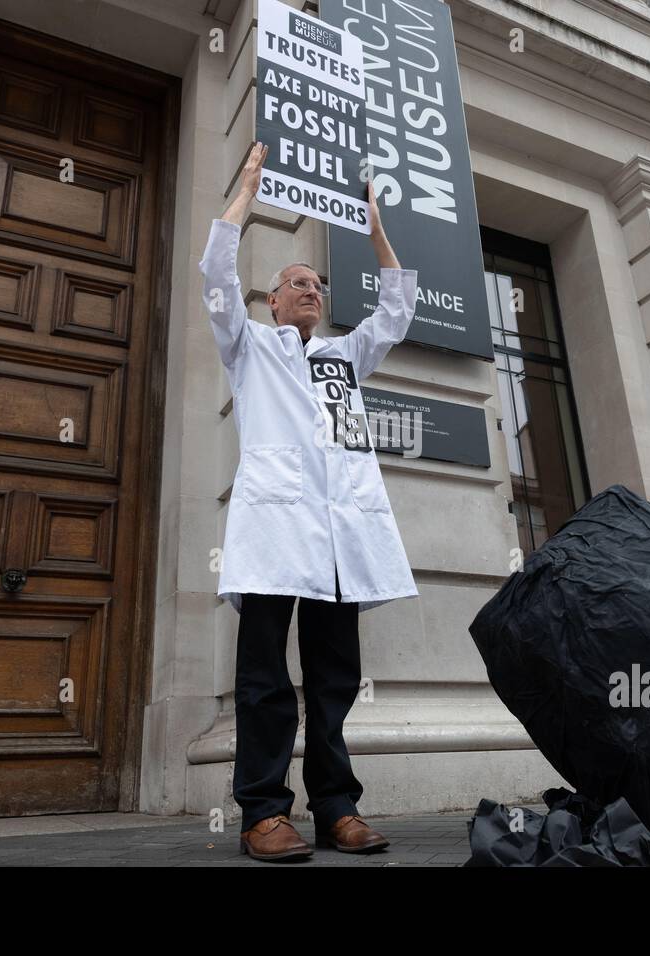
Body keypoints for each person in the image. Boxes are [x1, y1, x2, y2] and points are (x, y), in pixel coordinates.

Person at [198, 141, 419, 861]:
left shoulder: (343, 357)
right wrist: (247, 192)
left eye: (317, 284)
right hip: (273, 535)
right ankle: (263, 813)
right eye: (295, 282)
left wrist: (376, 229)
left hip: (338, 541)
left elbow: (396, 309)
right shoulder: (249, 348)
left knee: (334, 681)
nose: (310, 290)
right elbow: (214, 277)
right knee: (264, 681)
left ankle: (336, 809)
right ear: (271, 301)